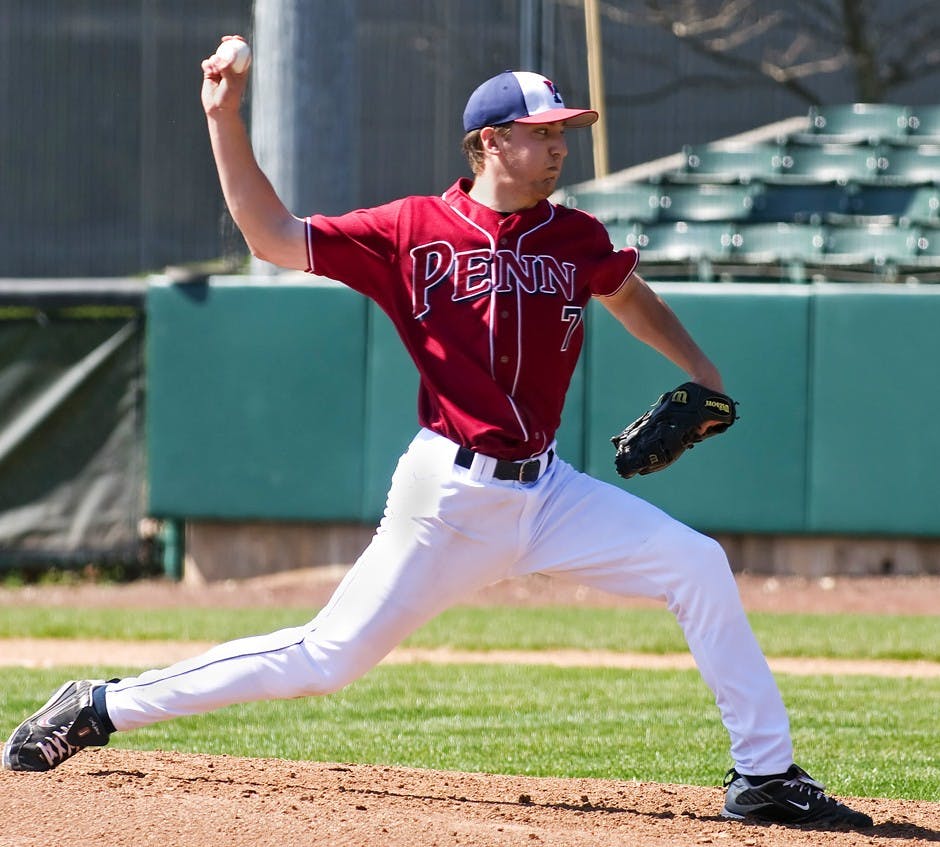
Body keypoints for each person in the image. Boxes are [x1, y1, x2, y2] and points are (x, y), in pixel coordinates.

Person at [3, 39, 872, 830]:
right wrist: (224, 117)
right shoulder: (411, 230)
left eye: (567, 130)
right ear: (491, 141)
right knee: (327, 658)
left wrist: (702, 371)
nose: (563, 145)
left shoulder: (575, 235)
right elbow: (272, 237)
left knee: (698, 563)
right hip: (450, 497)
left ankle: (764, 776)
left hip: (551, 491)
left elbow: (626, 292)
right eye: (545, 132)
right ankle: (100, 704)